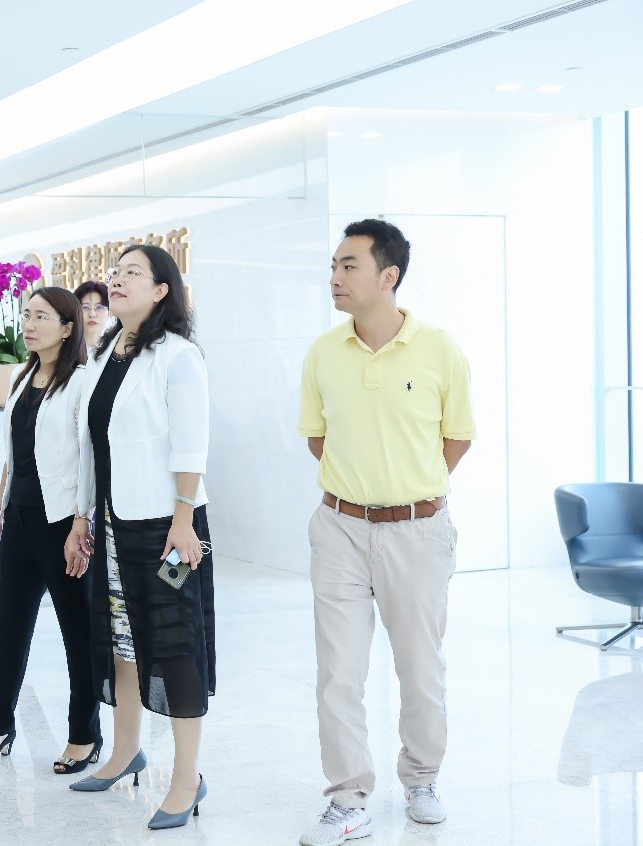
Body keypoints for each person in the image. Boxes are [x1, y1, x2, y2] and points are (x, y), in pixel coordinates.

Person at [296, 219, 474, 845]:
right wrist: (363, 492)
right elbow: (318, 439)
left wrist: (408, 493)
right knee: (338, 672)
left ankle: (422, 779)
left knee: (420, 668)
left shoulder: (440, 349)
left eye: (349, 266)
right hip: (339, 527)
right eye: (334, 265)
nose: (335, 277)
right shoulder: (323, 352)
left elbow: (457, 438)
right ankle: (348, 798)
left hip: (418, 532)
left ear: (388, 275)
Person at [64, 244, 214, 831]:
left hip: (164, 523)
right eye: (115, 272)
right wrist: (82, 516)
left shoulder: (178, 355)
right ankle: (125, 751)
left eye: (133, 273)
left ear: (161, 290)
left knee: (175, 648)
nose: (118, 280)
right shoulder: (106, 353)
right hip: (111, 523)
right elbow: (92, 446)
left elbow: (191, 443)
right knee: (121, 642)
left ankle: (186, 779)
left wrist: (183, 516)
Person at [0, 287, 101, 775]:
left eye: (41, 316)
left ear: (67, 328)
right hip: (20, 520)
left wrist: (82, 522)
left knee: (78, 634)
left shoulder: (82, 382)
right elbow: (13, 454)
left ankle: (85, 736)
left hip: (62, 523)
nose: (28, 323)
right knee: (9, 629)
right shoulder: (23, 378)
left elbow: (89, 458)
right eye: (26, 314)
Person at [73, 279, 110, 351]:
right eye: (85, 307)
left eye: (99, 307)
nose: (92, 315)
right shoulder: (63, 350)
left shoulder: (114, 349)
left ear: (109, 312)